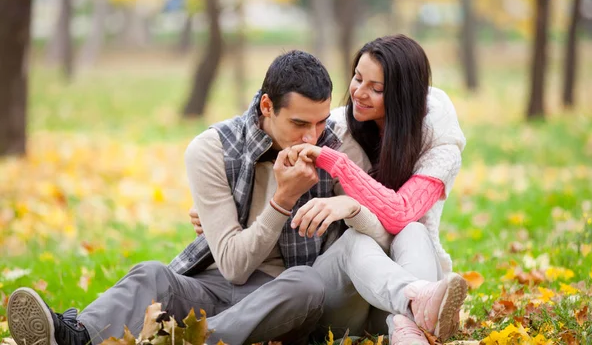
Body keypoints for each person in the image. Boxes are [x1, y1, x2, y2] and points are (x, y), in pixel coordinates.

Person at [7, 50, 386, 345]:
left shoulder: (339, 149)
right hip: (215, 283)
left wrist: (343, 202)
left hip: (281, 296)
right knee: (153, 274)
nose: (312, 137)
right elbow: (235, 266)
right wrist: (282, 200)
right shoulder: (211, 149)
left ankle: (185, 339)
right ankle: (75, 335)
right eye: (299, 123)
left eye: (320, 122)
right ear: (267, 106)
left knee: (306, 283)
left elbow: (379, 227)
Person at [286, 34, 468, 344]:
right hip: (346, 298)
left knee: (413, 230)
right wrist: (225, 202)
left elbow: (401, 214)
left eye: (377, 88)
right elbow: (272, 122)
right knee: (356, 240)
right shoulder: (336, 128)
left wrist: (339, 165)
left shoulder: (440, 146)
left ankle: (408, 325)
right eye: (357, 78)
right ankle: (413, 314)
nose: (359, 92)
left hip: (403, 283)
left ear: (403, 96)